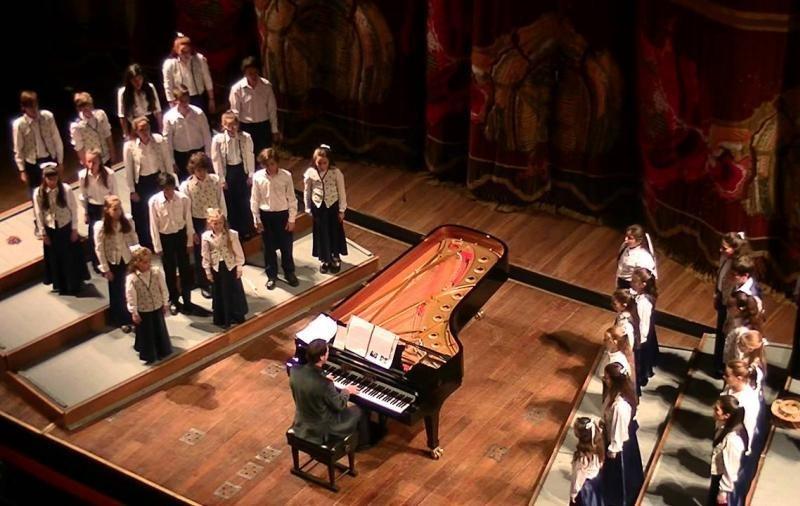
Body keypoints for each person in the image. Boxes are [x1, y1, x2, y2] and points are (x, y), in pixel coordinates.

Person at [148, 173, 208, 317]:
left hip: (180, 236)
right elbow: (153, 225)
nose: (169, 192)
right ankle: (173, 300)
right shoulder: (154, 201)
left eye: (171, 188)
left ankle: (187, 301)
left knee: (185, 269)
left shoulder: (183, 198)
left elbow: (188, 220)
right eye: (166, 189)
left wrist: (189, 241)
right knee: (169, 271)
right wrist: (157, 246)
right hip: (165, 238)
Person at [289, 338, 365, 445]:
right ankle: (362, 444)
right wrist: (346, 391)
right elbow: (339, 405)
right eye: (328, 351)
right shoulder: (325, 384)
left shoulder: (294, 371)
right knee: (358, 410)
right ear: (322, 357)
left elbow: (310, 383)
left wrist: (323, 378)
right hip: (322, 430)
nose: (329, 354)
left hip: (301, 421)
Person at [33, 163, 88, 295]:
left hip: (65, 227)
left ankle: (74, 284)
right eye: (49, 179)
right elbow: (39, 213)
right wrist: (43, 233)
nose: (52, 181)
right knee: (56, 258)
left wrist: (74, 229)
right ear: (44, 178)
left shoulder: (65, 189)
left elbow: (73, 209)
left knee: (69, 258)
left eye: (54, 178)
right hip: (51, 229)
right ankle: (61, 285)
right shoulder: (38, 193)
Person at [124, 116, 177, 250]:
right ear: (136, 131)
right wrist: (132, 190)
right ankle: (149, 244)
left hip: (158, 180)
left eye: (147, 128)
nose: (145, 132)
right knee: (144, 215)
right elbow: (129, 170)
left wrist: (171, 182)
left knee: (161, 211)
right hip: (142, 183)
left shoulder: (159, 140)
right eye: (141, 130)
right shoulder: (129, 146)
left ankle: (164, 240)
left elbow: (167, 161)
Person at [179, 152, 226, 299]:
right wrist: (192, 231)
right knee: (202, 254)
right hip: (198, 221)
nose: (201, 173)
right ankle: (204, 283)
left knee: (219, 250)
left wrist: (224, 219)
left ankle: (219, 279)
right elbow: (186, 211)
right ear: (193, 170)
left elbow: (221, 200)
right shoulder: (186, 186)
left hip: (216, 219)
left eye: (203, 169)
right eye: (198, 170)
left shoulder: (214, 180)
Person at [251, 148, 298, 289]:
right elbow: (254, 199)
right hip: (266, 216)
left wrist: (292, 219)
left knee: (286, 246)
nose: (270, 167)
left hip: (282, 215)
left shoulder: (286, 176)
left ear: (277, 162)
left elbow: (292, 198)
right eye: (266, 165)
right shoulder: (258, 177)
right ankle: (271, 275)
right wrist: (257, 219)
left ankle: (289, 272)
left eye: (272, 164)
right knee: (268, 248)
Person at [601, 362, 643, 506]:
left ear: (615, 381)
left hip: (619, 447)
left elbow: (618, 431)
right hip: (616, 436)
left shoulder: (620, 406)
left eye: (607, 378)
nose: (604, 380)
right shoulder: (615, 394)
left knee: (619, 479)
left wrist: (612, 450)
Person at [94, 195, 139, 333]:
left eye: (119, 208)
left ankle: (131, 316)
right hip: (113, 261)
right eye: (114, 209)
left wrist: (136, 256)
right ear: (107, 210)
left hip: (127, 258)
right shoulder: (101, 226)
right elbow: (99, 249)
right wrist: (105, 269)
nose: (118, 212)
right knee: (117, 291)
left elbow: (133, 238)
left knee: (129, 288)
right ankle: (120, 320)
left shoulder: (127, 221)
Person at [304, 144, 348, 273]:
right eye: (319, 163)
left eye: (324, 163)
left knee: (334, 231)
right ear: (314, 161)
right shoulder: (310, 173)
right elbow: (307, 191)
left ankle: (335, 256)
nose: (322, 166)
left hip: (332, 206)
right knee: (321, 233)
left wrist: (342, 210)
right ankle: (325, 258)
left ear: (329, 161)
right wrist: (308, 207)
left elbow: (342, 191)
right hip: (319, 208)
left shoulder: (335, 173)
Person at [713, 233, 752, 377]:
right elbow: (720, 276)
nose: (721, 250)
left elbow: (737, 288)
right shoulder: (725, 257)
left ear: (735, 249)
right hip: (722, 298)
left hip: (732, 305)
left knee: (729, 336)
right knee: (720, 332)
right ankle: (718, 364)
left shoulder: (738, 266)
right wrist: (717, 293)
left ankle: (727, 368)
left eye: (725, 248)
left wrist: (731, 306)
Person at [201, 208, 248, 328]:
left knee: (233, 292)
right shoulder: (206, 237)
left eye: (220, 223)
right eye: (215, 223)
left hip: (230, 267)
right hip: (217, 268)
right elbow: (205, 255)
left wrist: (239, 267)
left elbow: (238, 252)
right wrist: (207, 271)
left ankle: (236, 316)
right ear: (210, 223)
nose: (218, 226)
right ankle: (223, 318)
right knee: (220, 293)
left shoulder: (231, 234)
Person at [211, 110, 255, 236]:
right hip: (228, 173)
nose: (232, 128)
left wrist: (250, 174)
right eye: (228, 125)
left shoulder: (245, 137)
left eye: (234, 124)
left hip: (241, 171)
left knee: (244, 202)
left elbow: (250, 155)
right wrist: (221, 179)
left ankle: (248, 229)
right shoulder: (218, 140)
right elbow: (216, 160)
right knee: (231, 203)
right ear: (223, 125)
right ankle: (236, 231)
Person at [125, 247, 172, 364]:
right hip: (144, 309)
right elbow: (131, 296)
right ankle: (149, 354)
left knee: (159, 329)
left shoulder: (156, 272)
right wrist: (134, 312)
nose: (148, 264)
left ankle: (162, 350)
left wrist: (165, 302)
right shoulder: (132, 278)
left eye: (149, 261)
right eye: (144, 262)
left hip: (156, 306)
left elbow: (163, 288)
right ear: (137, 262)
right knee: (147, 332)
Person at [229, 56, 281, 157]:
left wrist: (274, 129)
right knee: (249, 156)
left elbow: (272, 109)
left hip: (264, 127)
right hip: (246, 128)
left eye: (255, 72)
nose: (253, 76)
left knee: (266, 156)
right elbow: (235, 112)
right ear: (245, 74)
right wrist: (235, 131)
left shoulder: (266, 86)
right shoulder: (237, 89)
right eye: (250, 73)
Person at [12, 91, 63, 194]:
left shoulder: (47, 117)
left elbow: (56, 139)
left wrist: (60, 161)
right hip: (32, 163)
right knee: (37, 193)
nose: (34, 109)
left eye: (35, 105)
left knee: (56, 190)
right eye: (30, 107)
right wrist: (22, 170)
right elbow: (18, 148)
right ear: (24, 108)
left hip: (49, 158)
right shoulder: (19, 124)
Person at [79, 148, 117, 272]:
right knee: (94, 237)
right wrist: (85, 212)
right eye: (88, 162)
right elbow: (83, 195)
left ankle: (111, 261)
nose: (91, 165)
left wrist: (114, 211)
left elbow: (114, 194)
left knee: (109, 235)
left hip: (106, 208)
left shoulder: (109, 174)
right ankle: (97, 263)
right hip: (93, 208)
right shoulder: (82, 175)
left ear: (100, 161)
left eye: (94, 162)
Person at [162, 85, 211, 181]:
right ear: (175, 100)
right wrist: (172, 162)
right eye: (182, 101)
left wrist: (208, 156)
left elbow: (207, 135)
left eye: (187, 100)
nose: (185, 103)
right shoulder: (169, 117)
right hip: (181, 156)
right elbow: (168, 142)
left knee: (202, 180)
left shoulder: (198, 113)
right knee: (185, 182)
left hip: (199, 152)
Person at [708, 395, 748, 506]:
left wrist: (723, 491)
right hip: (717, 473)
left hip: (723, 480)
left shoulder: (733, 440)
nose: (713, 410)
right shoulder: (721, 424)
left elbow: (731, 468)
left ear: (727, 415)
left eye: (717, 409)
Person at [162, 34, 215, 113]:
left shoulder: (199, 59)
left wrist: (211, 99)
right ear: (176, 50)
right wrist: (171, 103)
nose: (186, 54)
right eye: (183, 51)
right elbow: (168, 85)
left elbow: (207, 79)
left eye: (188, 51)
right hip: (180, 100)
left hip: (198, 98)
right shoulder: (169, 64)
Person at [69, 91, 115, 167]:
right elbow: (79, 147)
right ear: (79, 108)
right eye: (83, 107)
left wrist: (112, 152)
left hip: (106, 156)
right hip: (93, 162)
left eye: (88, 105)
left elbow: (108, 134)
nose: (86, 108)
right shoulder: (76, 126)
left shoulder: (100, 114)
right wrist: (86, 164)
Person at [631, 268, 659, 388]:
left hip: (641, 338)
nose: (631, 283)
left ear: (643, 284)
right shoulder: (640, 297)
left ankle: (641, 378)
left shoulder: (644, 303)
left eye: (634, 281)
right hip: (640, 336)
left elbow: (644, 324)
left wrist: (639, 340)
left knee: (640, 360)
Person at [118, 64, 162, 138]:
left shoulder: (150, 88)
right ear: (129, 81)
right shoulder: (123, 93)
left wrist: (161, 127)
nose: (138, 82)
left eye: (140, 79)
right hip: (134, 123)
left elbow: (158, 110)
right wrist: (126, 134)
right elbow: (122, 116)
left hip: (150, 121)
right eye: (134, 80)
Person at [570, 417, 605, 506]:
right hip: (595, 483)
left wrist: (574, 493)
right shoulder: (597, 447)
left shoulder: (582, 458)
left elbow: (578, 477)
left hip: (585, 489)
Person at [601, 325, 637, 398]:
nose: (603, 341)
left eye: (606, 339)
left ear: (614, 342)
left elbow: (617, 383)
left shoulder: (615, 362)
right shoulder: (619, 352)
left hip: (615, 390)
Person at [616, 225, 656, 289]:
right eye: (626, 236)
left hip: (631, 286)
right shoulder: (624, 246)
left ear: (639, 240)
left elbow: (646, 277)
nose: (626, 239)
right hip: (620, 280)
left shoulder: (643, 257)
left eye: (630, 238)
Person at [735, 330, 767, 398]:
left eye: (741, 344)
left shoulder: (756, 366)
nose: (738, 344)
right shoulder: (746, 355)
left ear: (750, 349)